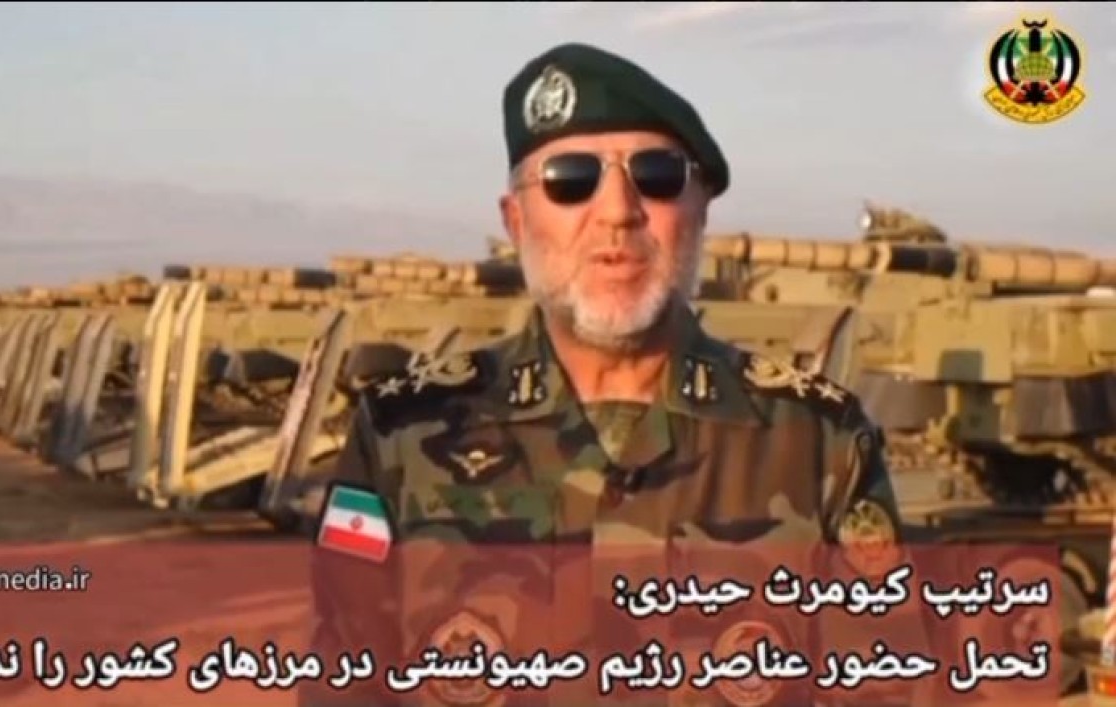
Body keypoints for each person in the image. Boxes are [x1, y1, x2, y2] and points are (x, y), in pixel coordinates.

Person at [302, 42, 903, 706]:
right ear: (515, 220)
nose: (618, 211)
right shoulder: (396, 438)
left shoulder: (821, 443)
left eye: (657, 175)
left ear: (701, 211)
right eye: (570, 180)